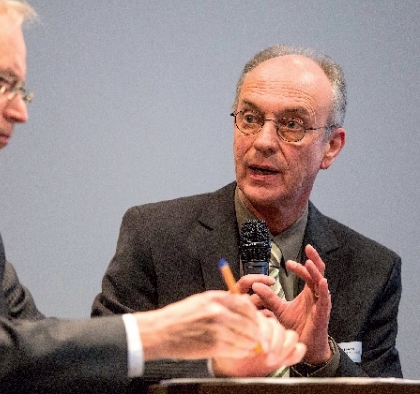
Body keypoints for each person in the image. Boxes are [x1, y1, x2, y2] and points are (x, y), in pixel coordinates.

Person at [0, 0, 307, 393]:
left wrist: (212, 364)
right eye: (4, 83)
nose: (20, 112)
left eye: (21, 91)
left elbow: (37, 356)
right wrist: (161, 329)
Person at [93, 45, 402, 382]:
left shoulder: (372, 270)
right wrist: (214, 363)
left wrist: (322, 358)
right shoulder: (155, 238)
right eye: (251, 119)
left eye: (292, 125)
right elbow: (99, 368)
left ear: (331, 147)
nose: (264, 141)